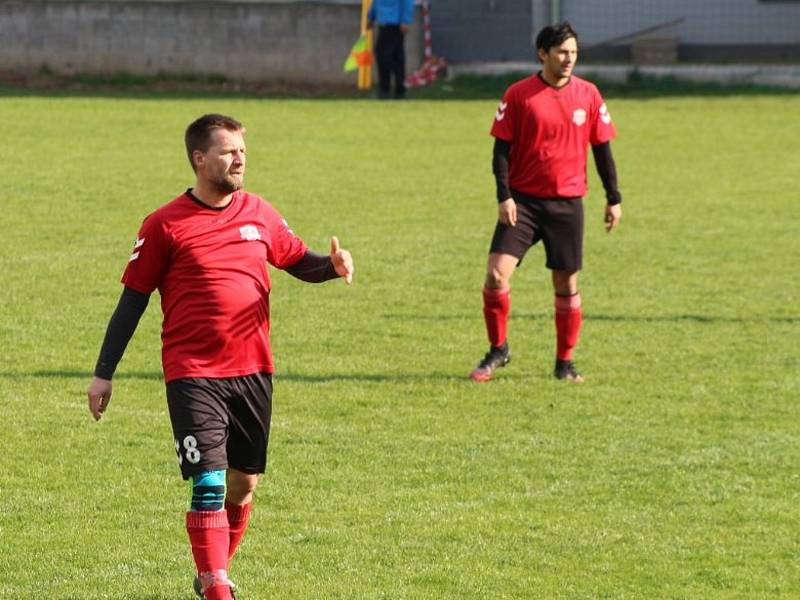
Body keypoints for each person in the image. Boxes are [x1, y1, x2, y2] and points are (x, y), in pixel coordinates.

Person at [86, 114, 354, 600]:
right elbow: (132, 300)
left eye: (243, 152)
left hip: (254, 369)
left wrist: (331, 267)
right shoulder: (164, 224)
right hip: (193, 374)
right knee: (208, 482)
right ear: (199, 158)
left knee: (243, 484)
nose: (239, 160)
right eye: (229, 151)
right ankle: (218, 590)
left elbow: (298, 261)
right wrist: (104, 374)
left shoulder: (259, 213)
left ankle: (214, 570)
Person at [470, 22, 622, 384]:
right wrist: (504, 195)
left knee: (566, 285)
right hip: (522, 203)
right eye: (561, 52)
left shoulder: (588, 95)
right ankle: (498, 349)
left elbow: (602, 151)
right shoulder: (519, 95)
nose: (568, 59)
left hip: (567, 204)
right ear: (543, 54)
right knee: (495, 275)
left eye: (573, 52)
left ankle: (564, 363)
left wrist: (613, 198)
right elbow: (500, 152)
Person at [367, 0, 415, 99]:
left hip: (394, 24)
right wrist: (371, 17)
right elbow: (376, 2)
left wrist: (405, 21)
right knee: (395, 57)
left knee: (384, 57)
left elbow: (407, 2)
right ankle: (399, 90)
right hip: (385, 23)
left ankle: (385, 90)